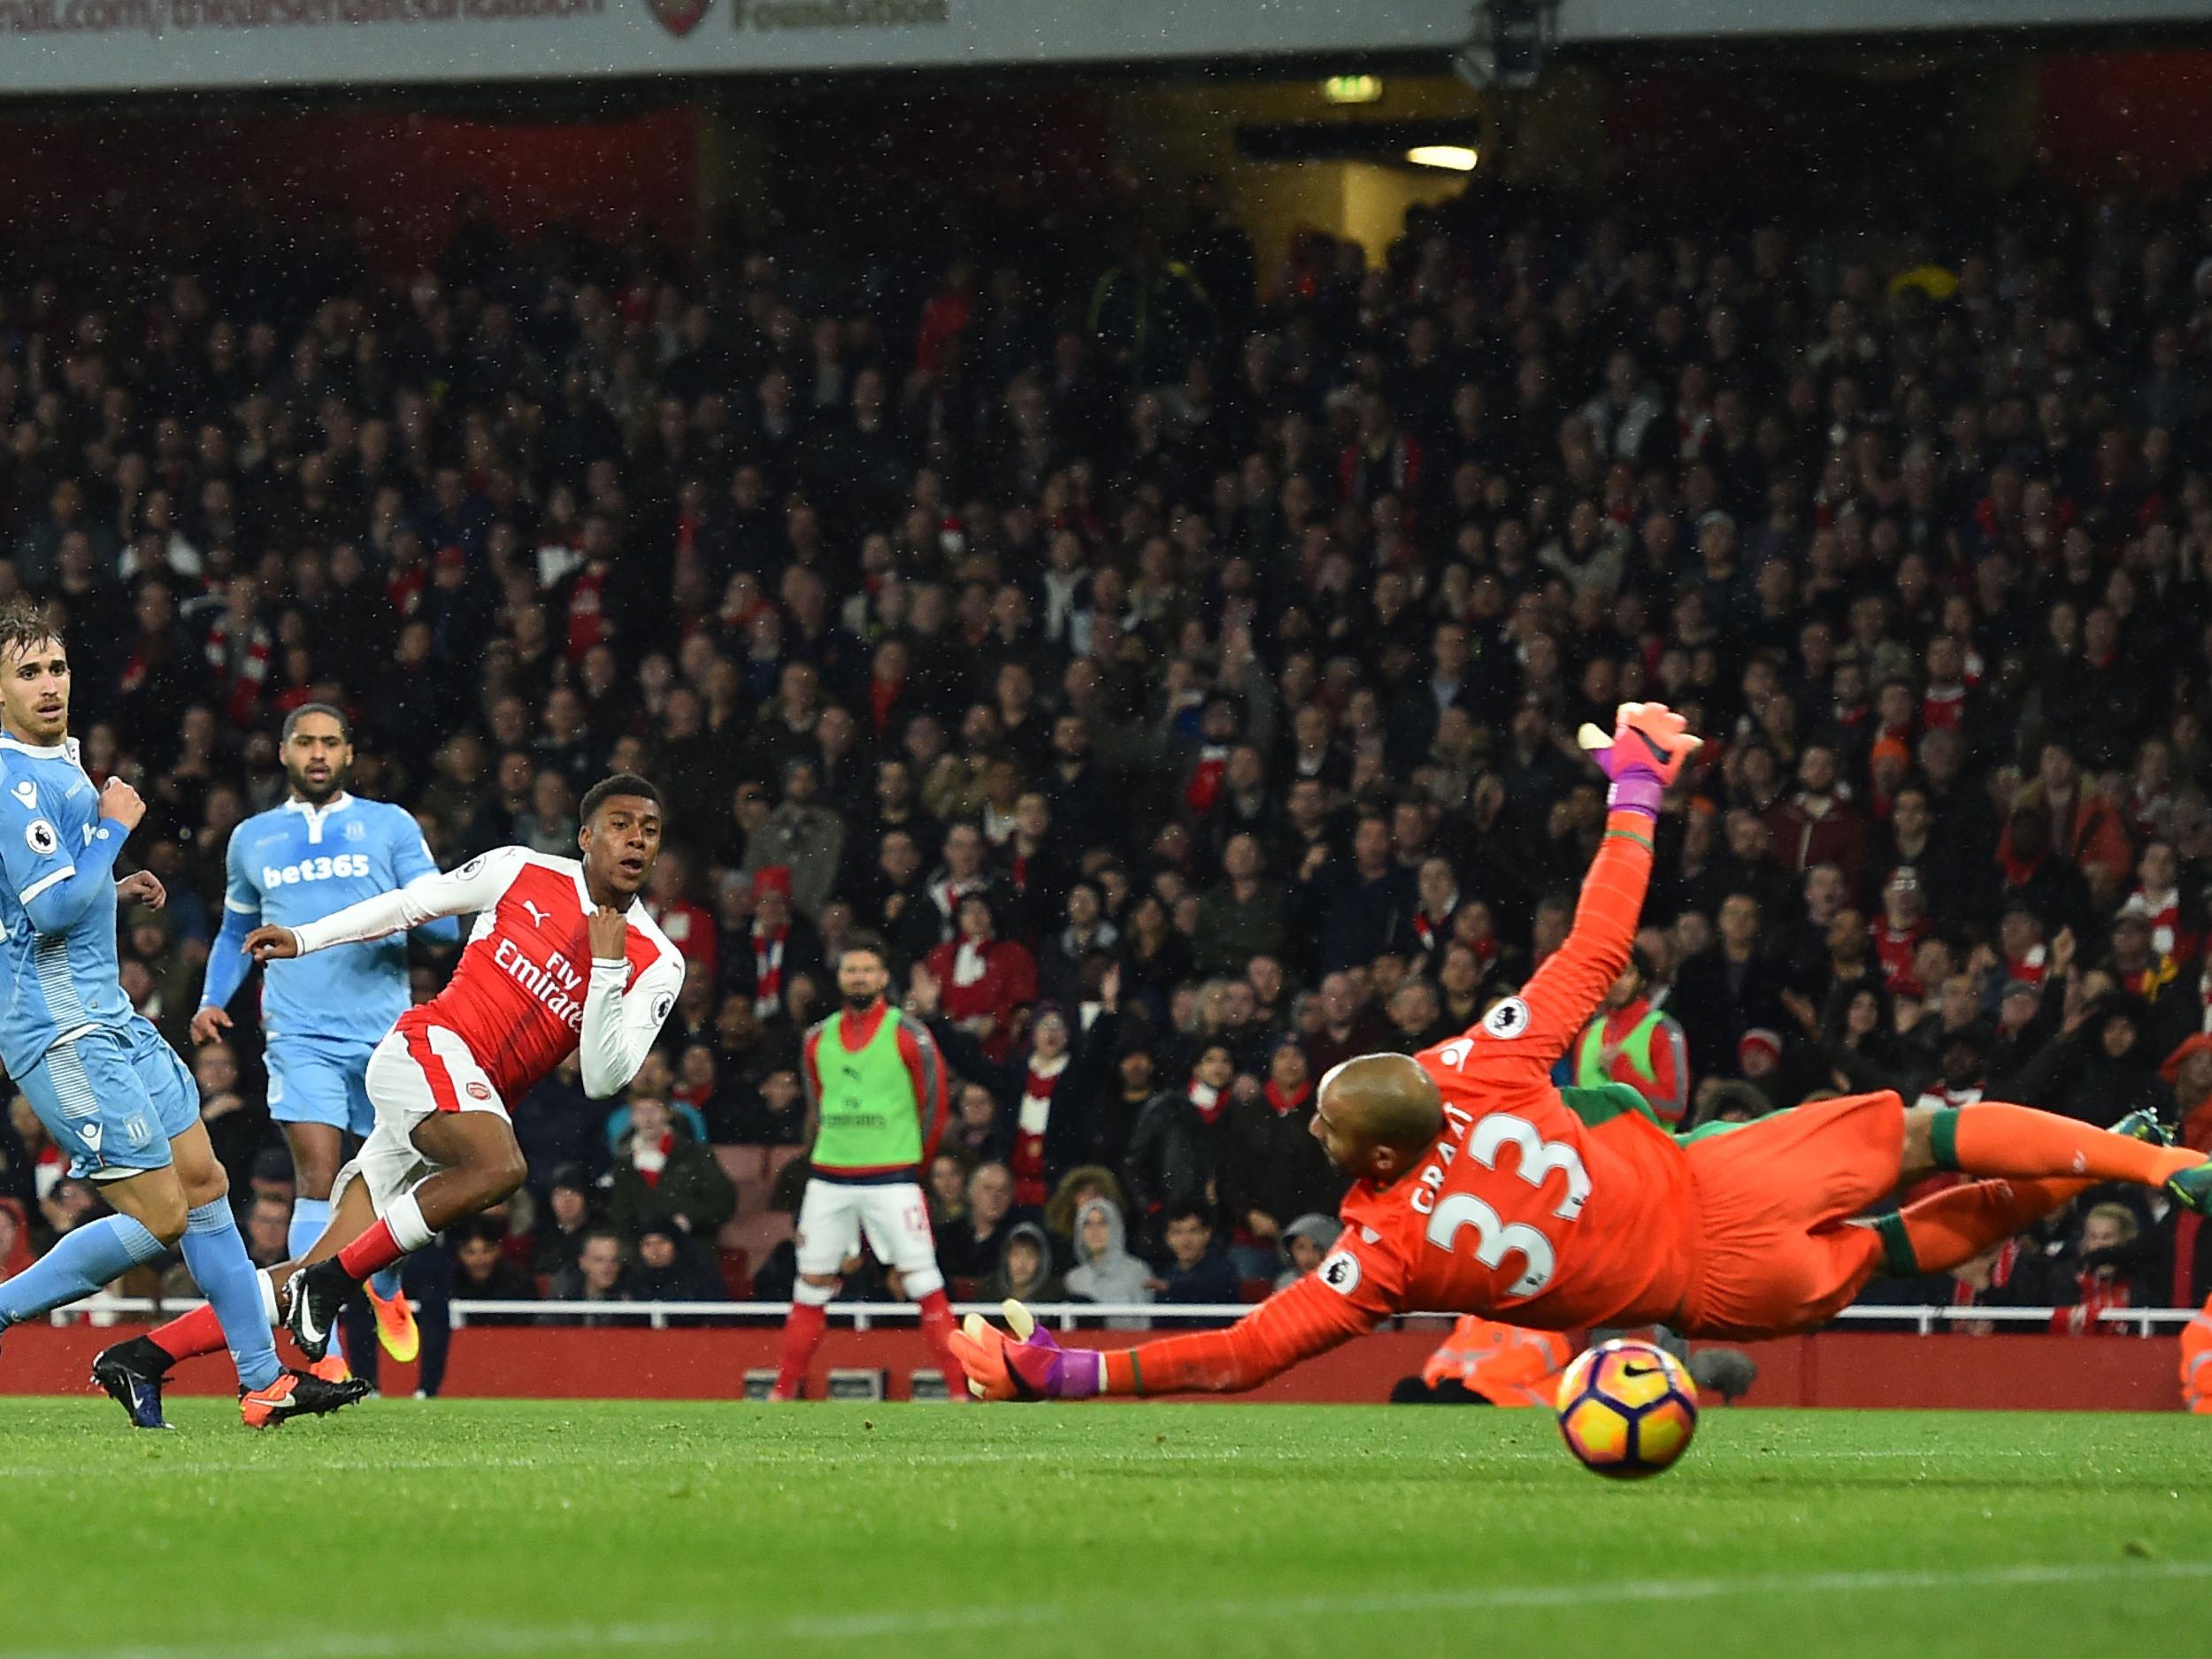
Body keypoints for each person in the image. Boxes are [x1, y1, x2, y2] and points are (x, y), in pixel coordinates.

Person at [951, 703, 2212, 1401]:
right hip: (1725, 1179)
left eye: (1331, 1126)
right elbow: (1599, 944)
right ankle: (2136, 1167)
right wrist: (1636, 786)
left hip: (1714, 1292)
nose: (1321, 1135)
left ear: (1376, 1149)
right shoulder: (1477, 1070)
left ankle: (2102, 1173)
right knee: (1932, 1129)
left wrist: (1056, 1368)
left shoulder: (1383, 1246)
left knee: (1902, 1243)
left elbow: (1241, 1352)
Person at [116, 774, 685, 1405]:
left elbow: (604, 1077)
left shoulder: (659, 961)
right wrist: (308, 937)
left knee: (303, 1273)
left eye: (650, 830)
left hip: (460, 1110)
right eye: (620, 824)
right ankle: (336, 1282)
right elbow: (411, 904)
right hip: (426, 1051)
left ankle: (144, 1354)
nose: (636, 839)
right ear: (585, 837)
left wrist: (607, 968)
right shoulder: (520, 869)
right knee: (500, 1166)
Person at [0, 601, 362, 1429]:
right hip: (60, 1031)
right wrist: (114, 833)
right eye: (28, 672)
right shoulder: (11, 777)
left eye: (55, 666)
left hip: (109, 1014)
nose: (49, 684)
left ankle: (264, 1381)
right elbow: (50, 917)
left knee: (205, 1186)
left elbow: (46, 903)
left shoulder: (60, 761)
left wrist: (110, 890)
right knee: (162, 1215)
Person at [182, 703, 458, 1381]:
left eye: (330, 742)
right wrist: (213, 998)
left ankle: (385, 1284)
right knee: (318, 1180)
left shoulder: (390, 826)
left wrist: (416, 911)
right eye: (305, 742)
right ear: (282, 752)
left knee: (392, 1184)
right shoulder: (252, 837)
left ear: (349, 754)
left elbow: (444, 927)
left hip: (384, 1035)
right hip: (299, 1034)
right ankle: (325, 1348)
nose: (317, 753)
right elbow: (232, 932)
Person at [767, 931, 964, 1401]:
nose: (858, 976)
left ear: (883, 977)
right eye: (851, 969)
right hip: (829, 1179)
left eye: (867, 969)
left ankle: (961, 1393)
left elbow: (934, 1106)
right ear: (839, 977)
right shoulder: (816, 1039)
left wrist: (917, 1163)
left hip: (892, 1177)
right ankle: (780, 1392)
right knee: (810, 1286)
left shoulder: (909, 1035)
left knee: (924, 1283)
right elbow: (816, 1105)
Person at [1571, 947, 1691, 1126]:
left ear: (1642, 981)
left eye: (1626, 974)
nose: (1617, 982)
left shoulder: (1661, 1030)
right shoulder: (1587, 1035)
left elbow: (1674, 1106)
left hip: (1646, 1152)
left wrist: (1622, 1071)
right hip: (1594, 1152)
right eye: (1611, 974)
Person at [1064, 1194, 1152, 1327]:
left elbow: (1145, 1325)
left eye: (1102, 1223)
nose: (1095, 1231)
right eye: (1087, 1224)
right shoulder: (1074, 1278)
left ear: (1115, 1227)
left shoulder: (1137, 1272)